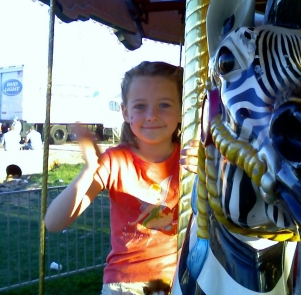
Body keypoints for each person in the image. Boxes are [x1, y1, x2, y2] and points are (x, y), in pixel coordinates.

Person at [45, 61, 197, 295]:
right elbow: (54, 222)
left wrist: (210, 170)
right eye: (140, 106)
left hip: (183, 276)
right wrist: (89, 170)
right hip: (126, 282)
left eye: (164, 105)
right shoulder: (115, 162)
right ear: (125, 112)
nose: (152, 116)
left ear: (181, 110)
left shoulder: (192, 158)